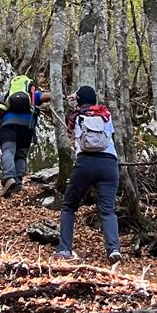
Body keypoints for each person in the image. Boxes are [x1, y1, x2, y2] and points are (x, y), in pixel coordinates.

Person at [56, 85, 121, 263]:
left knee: (69, 206)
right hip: (109, 164)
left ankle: (64, 249)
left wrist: (70, 100)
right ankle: (114, 249)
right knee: (107, 210)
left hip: (85, 163)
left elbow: (73, 130)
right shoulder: (106, 115)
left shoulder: (76, 118)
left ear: (79, 100)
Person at [0, 74, 47, 196]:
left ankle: (8, 178)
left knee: (8, 151)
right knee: (21, 155)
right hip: (27, 125)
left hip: (8, 124)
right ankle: (17, 184)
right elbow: (48, 96)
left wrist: (1, 138)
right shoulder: (33, 96)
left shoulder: (6, 97)